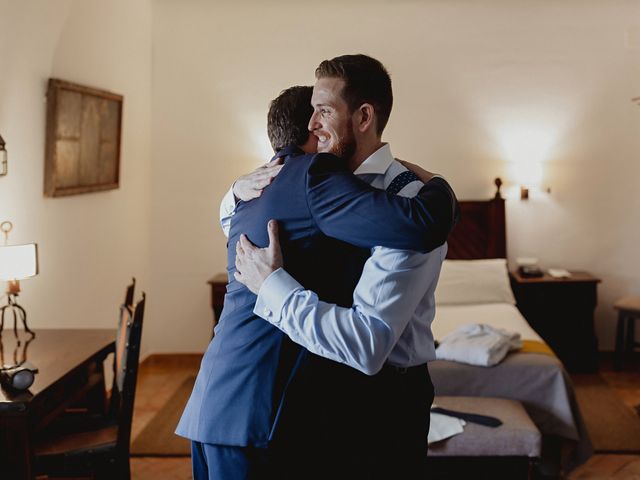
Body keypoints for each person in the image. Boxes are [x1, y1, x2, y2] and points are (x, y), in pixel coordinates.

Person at [176, 81, 455, 479]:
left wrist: (236, 192)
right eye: (316, 113)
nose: (319, 121)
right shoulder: (310, 177)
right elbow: (422, 223)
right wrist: (440, 187)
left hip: (226, 402)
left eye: (325, 110)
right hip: (258, 411)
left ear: (362, 117)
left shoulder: (266, 187)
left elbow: (227, 219)